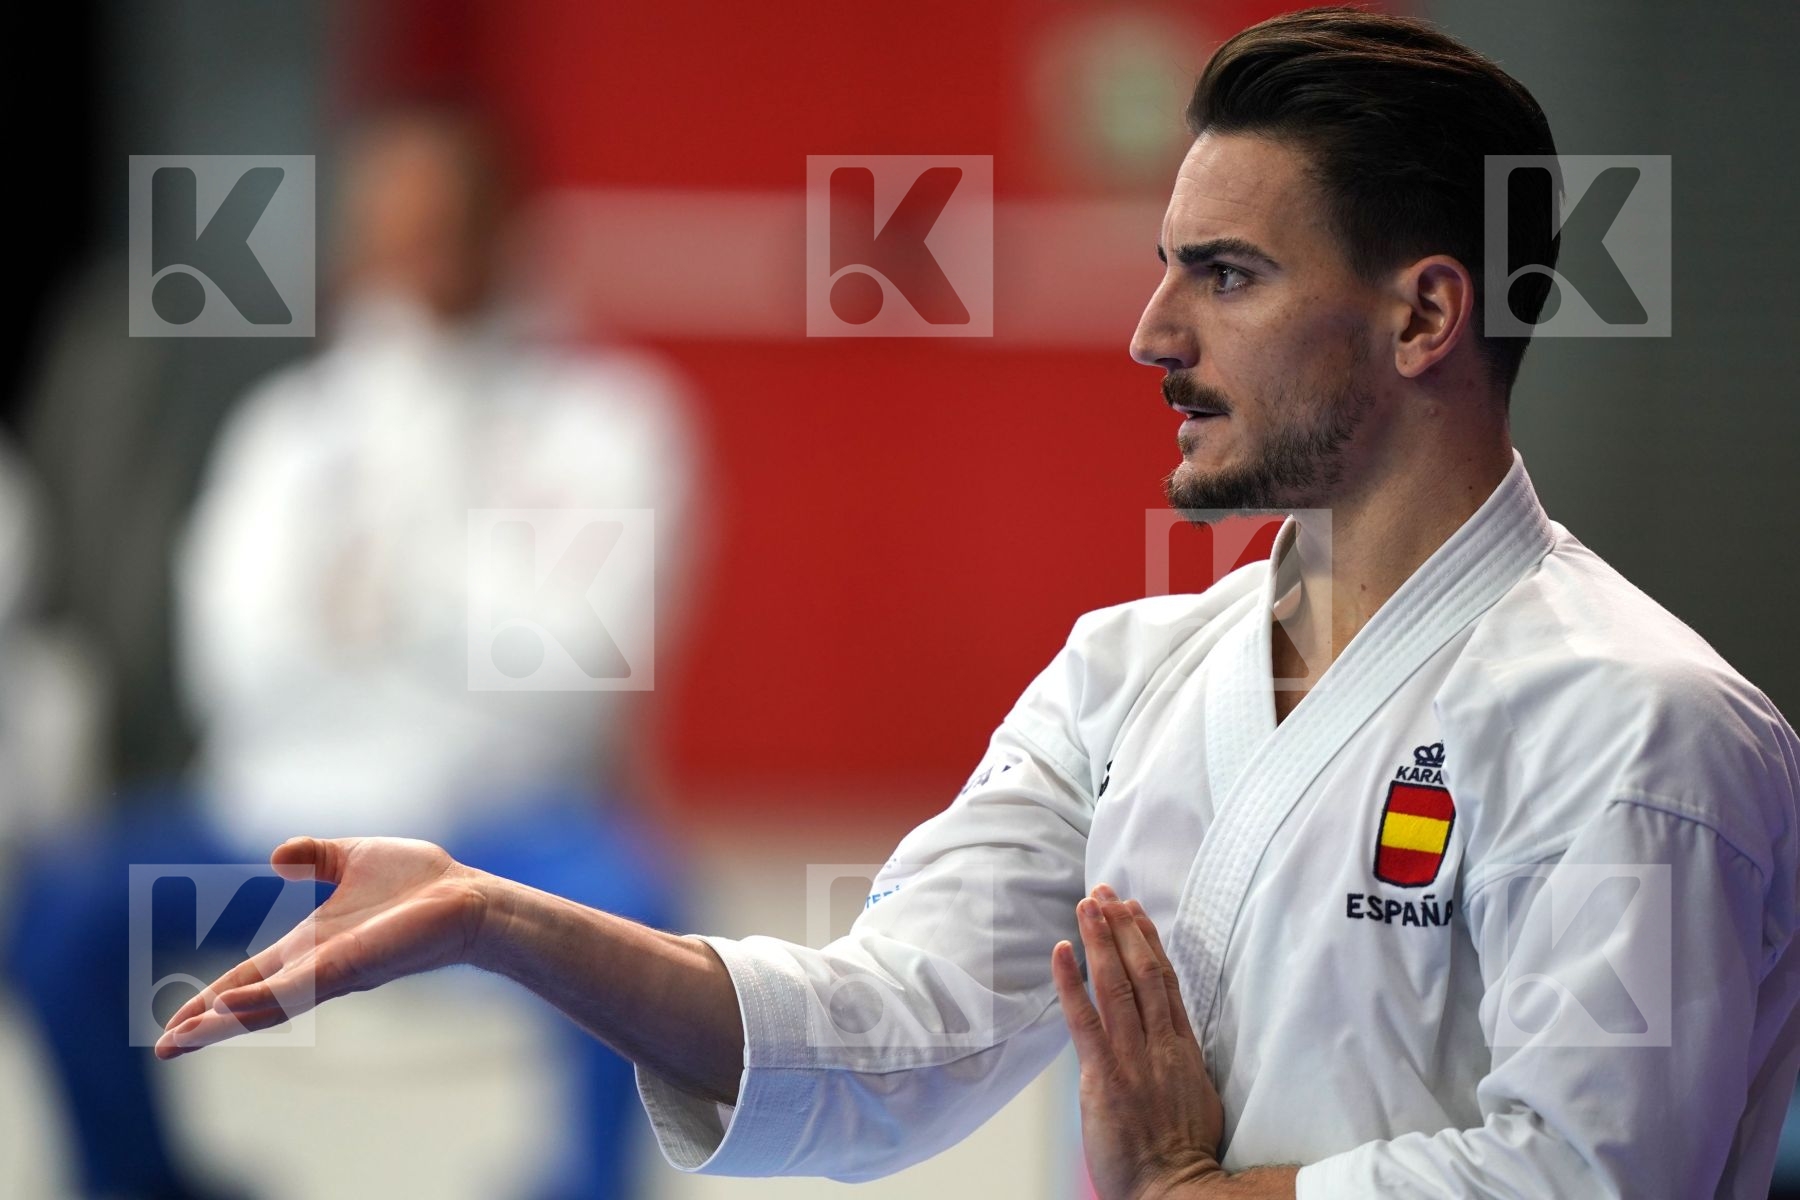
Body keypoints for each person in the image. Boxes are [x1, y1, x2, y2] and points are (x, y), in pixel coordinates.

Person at [155, 10, 1800, 1198]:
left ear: (1424, 311)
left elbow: (1589, 1176)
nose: (1152, 332)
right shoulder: (1125, 677)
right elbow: (890, 1033)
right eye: (1164, 266)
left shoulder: (1638, 727)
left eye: (1225, 275)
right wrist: (504, 919)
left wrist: (1190, 1190)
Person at [13, 101, 694, 1200]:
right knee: (65, 914)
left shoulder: (610, 423)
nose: (413, 258)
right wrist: (472, 622)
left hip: (498, 838)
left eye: (445, 224)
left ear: (506, 231)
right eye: (391, 227)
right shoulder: (289, 429)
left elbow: (577, 678)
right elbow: (236, 669)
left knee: (638, 921)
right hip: (272, 837)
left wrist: (387, 600)